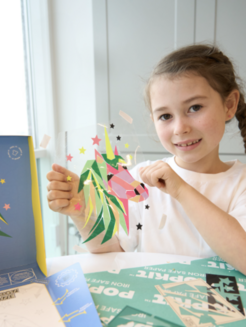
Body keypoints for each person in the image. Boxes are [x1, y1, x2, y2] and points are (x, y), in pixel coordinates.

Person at [46, 44, 246, 275]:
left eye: (195, 107)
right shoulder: (139, 178)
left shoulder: (240, 184)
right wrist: (82, 213)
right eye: (165, 116)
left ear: (229, 105)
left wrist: (181, 190)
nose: (180, 128)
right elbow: (113, 249)